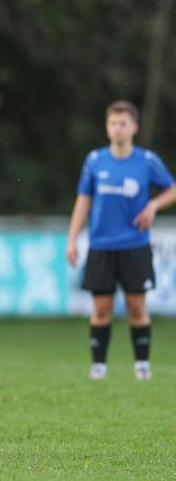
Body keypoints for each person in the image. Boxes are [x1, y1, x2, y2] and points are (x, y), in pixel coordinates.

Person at [67, 100, 176, 381]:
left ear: (134, 127)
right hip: (101, 246)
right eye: (113, 124)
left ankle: (142, 365)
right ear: (107, 127)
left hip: (134, 246)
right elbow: (83, 201)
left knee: (136, 308)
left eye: (123, 124)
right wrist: (72, 238)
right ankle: (99, 366)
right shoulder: (95, 160)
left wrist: (153, 206)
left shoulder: (147, 160)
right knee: (101, 309)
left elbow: (172, 189)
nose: (117, 129)